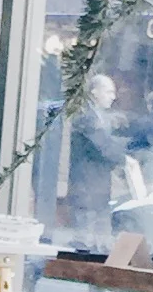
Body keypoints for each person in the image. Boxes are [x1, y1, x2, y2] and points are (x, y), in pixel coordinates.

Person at [63, 72, 148, 249]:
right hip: (87, 184)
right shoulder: (87, 116)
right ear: (95, 92)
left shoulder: (96, 115)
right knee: (86, 233)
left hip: (95, 184)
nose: (113, 97)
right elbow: (102, 146)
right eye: (109, 92)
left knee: (98, 232)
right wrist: (124, 159)